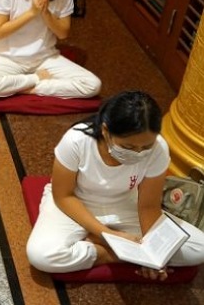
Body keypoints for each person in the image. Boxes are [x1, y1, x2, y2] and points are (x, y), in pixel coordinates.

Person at [26, 91, 204, 278]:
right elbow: (64, 196)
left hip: (124, 206)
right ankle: (108, 254)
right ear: (105, 131)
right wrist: (107, 235)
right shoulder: (76, 140)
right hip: (74, 205)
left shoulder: (158, 148)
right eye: (128, 147)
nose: (138, 153)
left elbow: (148, 206)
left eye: (146, 147)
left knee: (199, 247)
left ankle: (120, 250)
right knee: (41, 255)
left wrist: (153, 255)